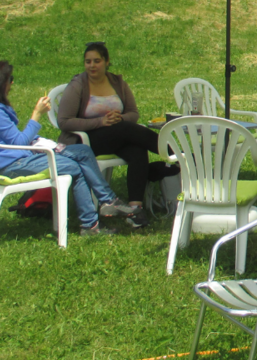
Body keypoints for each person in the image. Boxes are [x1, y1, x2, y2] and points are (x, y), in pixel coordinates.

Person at [0, 61, 140, 236]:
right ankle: (92, 223)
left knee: (82, 151)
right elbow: (17, 142)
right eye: (9, 79)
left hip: (18, 158)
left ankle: (106, 202)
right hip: (13, 165)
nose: (11, 83)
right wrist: (37, 114)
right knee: (75, 167)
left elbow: (11, 140)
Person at [56, 42, 176, 228]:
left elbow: (133, 114)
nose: (92, 66)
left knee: (137, 149)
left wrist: (120, 118)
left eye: (97, 61)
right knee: (126, 129)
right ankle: (177, 155)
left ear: (107, 62)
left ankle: (135, 210)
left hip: (117, 136)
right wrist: (100, 122)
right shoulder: (78, 85)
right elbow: (64, 121)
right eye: (88, 62)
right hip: (86, 141)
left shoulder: (118, 83)